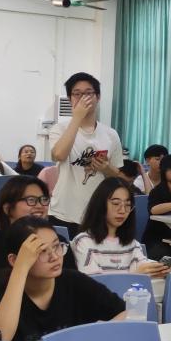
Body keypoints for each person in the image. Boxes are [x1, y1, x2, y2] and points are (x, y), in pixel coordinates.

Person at [0, 217, 126, 341]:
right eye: (42, 251)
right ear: (14, 260)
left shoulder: (75, 282)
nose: (55, 257)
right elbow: (0, 339)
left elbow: (127, 312)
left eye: (57, 247)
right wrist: (21, 268)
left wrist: (98, 335)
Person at [48, 72, 125, 235]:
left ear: (98, 97)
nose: (83, 98)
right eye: (77, 94)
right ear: (70, 99)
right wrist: (77, 118)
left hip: (98, 213)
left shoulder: (111, 134)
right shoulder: (59, 129)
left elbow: (117, 176)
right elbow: (59, 155)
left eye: (88, 93)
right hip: (63, 212)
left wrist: (106, 168)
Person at [0, 175, 78, 280]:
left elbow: (72, 283)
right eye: (31, 200)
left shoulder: (58, 243)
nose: (40, 206)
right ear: (8, 209)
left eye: (44, 199)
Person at [71, 178, 168, 276]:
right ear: (100, 204)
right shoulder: (84, 242)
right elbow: (93, 284)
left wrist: (157, 270)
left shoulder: (132, 244)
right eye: (116, 203)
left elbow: (143, 266)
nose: (122, 210)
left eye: (128, 205)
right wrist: (136, 275)